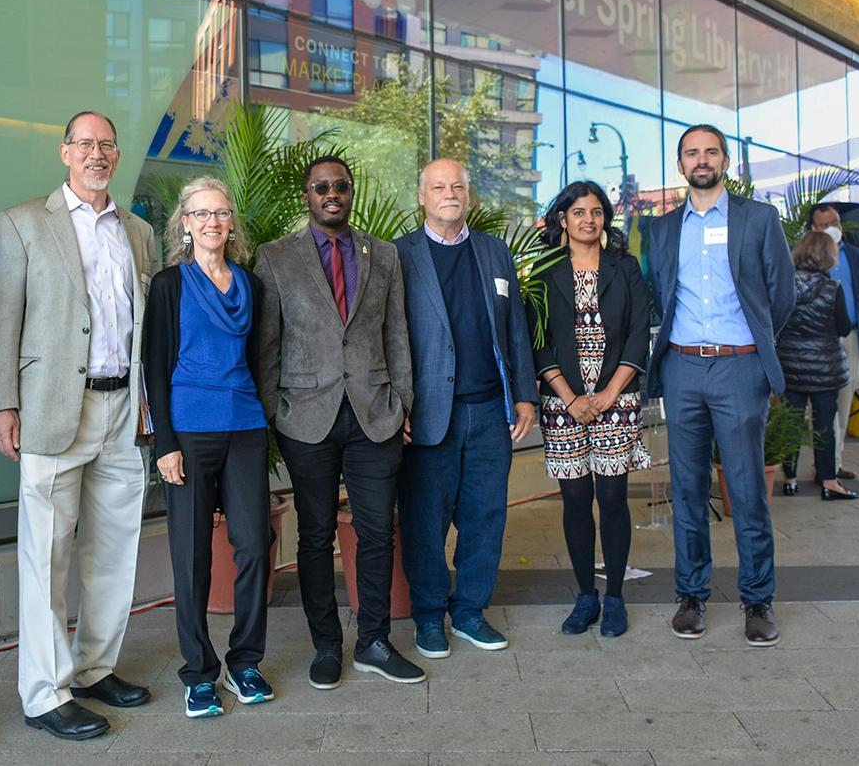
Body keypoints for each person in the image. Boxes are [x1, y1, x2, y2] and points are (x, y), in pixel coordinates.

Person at [0, 111, 157, 741]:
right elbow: (2, 321)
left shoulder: (138, 231)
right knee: (46, 555)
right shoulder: (24, 222)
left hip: (120, 410)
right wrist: (1, 405)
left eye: (106, 145)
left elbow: (145, 327)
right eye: (84, 144)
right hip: (54, 408)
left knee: (114, 549)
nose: (96, 154)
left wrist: (147, 402)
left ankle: (94, 668)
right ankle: (44, 691)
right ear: (64, 152)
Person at [254, 155, 425, 688]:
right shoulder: (275, 257)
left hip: (375, 415)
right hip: (306, 419)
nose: (332, 194)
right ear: (306, 194)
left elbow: (397, 332)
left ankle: (373, 641)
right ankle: (327, 645)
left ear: (352, 191)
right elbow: (267, 348)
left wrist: (403, 400)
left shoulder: (385, 255)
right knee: (314, 536)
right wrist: (270, 419)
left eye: (341, 186)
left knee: (377, 532)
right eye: (321, 187)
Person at [647, 124, 794, 647]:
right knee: (687, 490)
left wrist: (753, 350)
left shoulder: (758, 219)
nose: (701, 159)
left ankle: (758, 602)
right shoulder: (661, 230)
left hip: (739, 368)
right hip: (682, 369)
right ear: (680, 166)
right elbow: (657, 295)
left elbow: (781, 294)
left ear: (725, 161)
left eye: (711, 151)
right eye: (692, 153)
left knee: (747, 490)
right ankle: (691, 596)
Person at [141, 176, 274, 719]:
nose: (213, 222)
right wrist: (164, 445)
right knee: (192, 555)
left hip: (245, 426)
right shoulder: (169, 284)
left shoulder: (252, 284)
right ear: (185, 223)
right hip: (189, 432)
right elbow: (154, 365)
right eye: (201, 213)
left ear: (231, 223)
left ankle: (245, 662)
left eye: (221, 213)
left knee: (253, 547)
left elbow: (260, 361)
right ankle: (198, 674)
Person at [393, 158, 536, 659]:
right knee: (424, 522)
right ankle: (429, 616)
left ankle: (471, 610)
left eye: (457, 185)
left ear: (468, 197)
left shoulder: (494, 252)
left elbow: (515, 326)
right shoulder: (399, 256)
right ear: (422, 196)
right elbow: (391, 338)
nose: (449, 192)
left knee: (485, 516)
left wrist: (524, 394)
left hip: (488, 413)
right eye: (438, 186)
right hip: (429, 415)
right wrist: (397, 406)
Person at [534, 181, 651, 639]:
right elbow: (536, 339)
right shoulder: (544, 270)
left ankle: (616, 596)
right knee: (576, 501)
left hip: (616, 399)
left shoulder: (625, 268)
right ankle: (586, 595)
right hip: (563, 402)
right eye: (579, 212)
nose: (589, 219)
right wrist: (570, 396)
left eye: (597, 211)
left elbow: (640, 331)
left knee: (613, 499)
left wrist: (606, 395)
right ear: (562, 219)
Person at [777, 231, 857, 500]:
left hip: (790, 367)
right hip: (825, 369)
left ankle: (789, 479)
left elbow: (776, 323)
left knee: (790, 424)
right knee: (824, 425)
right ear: (828, 256)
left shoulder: (784, 286)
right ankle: (828, 481)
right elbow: (844, 328)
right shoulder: (833, 288)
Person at [808, 204, 859, 480]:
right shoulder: (807, 258)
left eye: (836, 222)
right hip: (818, 341)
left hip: (851, 336)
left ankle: (833, 463)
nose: (833, 228)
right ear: (813, 229)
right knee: (820, 405)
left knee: (844, 401)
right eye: (825, 223)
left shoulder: (856, 256)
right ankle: (822, 463)